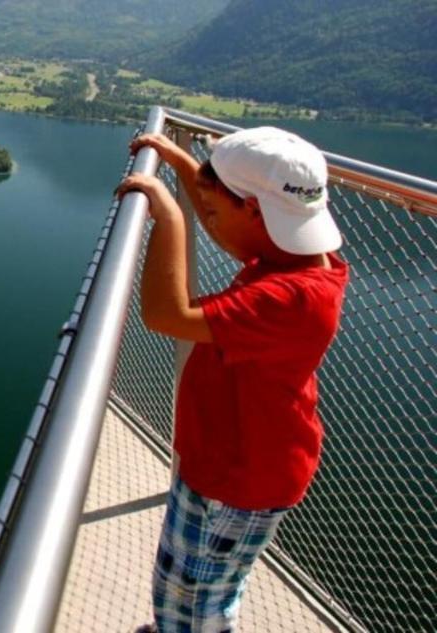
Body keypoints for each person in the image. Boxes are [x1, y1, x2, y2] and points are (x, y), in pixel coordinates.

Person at [116, 127, 350, 632]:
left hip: (239, 477)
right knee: (186, 578)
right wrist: (179, 161)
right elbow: (229, 225)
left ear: (255, 212)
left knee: (201, 597)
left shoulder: (291, 298)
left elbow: (165, 315)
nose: (210, 218)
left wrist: (170, 217)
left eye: (216, 206)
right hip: (223, 458)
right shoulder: (293, 259)